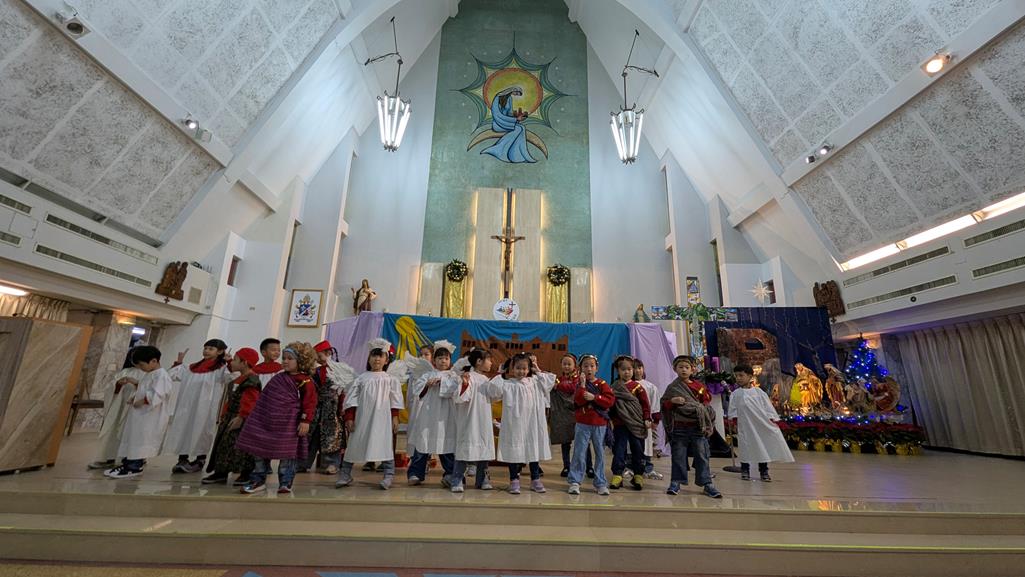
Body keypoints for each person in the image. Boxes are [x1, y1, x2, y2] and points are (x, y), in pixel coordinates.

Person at [235, 342, 318, 494]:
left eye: (290, 358)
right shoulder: (278, 378)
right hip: (268, 421)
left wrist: (305, 421)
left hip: (289, 424)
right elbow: (265, 398)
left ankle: (285, 482)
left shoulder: (305, 381)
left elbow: (310, 403)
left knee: (288, 454)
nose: (285, 361)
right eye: (284, 358)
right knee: (259, 450)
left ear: (301, 361)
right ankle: (258, 480)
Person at [336, 339, 404, 490]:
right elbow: (351, 399)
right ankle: (345, 474)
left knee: (384, 444)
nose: (377, 359)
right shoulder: (361, 379)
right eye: (374, 355)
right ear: (369, 358)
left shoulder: (390, 380)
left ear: (387, 360)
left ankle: (388, 475)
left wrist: (395, 416)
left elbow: (395, 399)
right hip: (362, 418)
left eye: (380, 356)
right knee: (354, 443)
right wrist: (350, 417)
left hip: (382, 419)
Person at [485, 352, 556, 494]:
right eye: (518, 368)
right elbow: (493, 391)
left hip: (532, 424)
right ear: (512, 368)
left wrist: (537, 368)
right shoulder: (508, 384)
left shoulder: (535, 382)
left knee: (533, 450)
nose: (521, 371)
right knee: (514, 450)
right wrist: (501, 373)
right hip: (514, 424)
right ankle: (514, 479)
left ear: (529, 369)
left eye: (524, 368)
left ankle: (535, 479)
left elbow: (549, 383)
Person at [164, 339, 234, 474]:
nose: (206, 351)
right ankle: (182, 459)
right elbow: (171, 376)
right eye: (205, 348)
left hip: (205, 408)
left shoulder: (220, 369)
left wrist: (229, 362)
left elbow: (231, 377)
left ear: (220, 352)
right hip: (186, 407)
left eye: (211, 349)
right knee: (184, 429)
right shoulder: (191, 368)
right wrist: (179, 362)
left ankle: (200, 460)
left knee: (202, 431)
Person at [104, 346, 173, 479]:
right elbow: (143, 388)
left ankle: (134, 467)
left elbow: (159, 394)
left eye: (142, 365)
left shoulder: (162, 375)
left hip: (149, 417)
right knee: (133, 438)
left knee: (140, 441)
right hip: (140, 415)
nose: (140, 368)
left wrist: (142, 401)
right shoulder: (150, 373)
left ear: (153, 361)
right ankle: (127, 464)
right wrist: (134, 396)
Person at [661, 355, 722, 499]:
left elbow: (706, 402)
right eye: (680, 367)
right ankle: (676, 482)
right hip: (679, 427)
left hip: (697, 426)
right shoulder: (673, 387)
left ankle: (707, 483)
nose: (684, 370)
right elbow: (664, 404)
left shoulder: (699, 386)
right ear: (675, 369)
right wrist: (673, 401)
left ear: (692, 369)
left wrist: (700, 407)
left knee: (702, 455)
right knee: (678, 456)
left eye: (687, 367)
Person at [202, 348, 262, 485]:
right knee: (224, 446)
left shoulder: (251, 380)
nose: (232, 362)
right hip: (231, 416)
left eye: (235, 359)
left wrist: (241, 417)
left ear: (244, 363)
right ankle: (221, 472)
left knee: (240, 448)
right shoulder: (240, 378)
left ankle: (245, 473)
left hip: (241, 419)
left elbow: (250, 401)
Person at [442, 348, 496, 492]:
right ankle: (457, 479)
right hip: (469, 419)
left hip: (483, 419)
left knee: (484, 447)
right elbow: (460, 398)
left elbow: (494, 396)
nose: (491, 363)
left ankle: (482, 479)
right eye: (489, 360)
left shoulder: (485, 380)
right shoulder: (467, 377)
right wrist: (465, 384)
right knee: (465, 447)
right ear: (479, 361)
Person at [728, 364, 793, 482]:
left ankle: (764, 471)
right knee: (745, 447)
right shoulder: (735, 394)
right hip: (745, 426)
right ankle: (745, 469)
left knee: (761, 445)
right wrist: (733, 421)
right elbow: (733, 410)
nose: (738, 378)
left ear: (750, 376)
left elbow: (767, 408)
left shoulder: (759, 393)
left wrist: (772, 420)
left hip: (760, 425)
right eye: (736, 376)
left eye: (741, 375)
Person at [406, 340, 458, 487]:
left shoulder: (453, 376)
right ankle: (416, 473)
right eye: (440, 358)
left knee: (446, 443)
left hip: (446, 417)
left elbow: (455, 390)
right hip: (428, 415)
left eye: (446, 358)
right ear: (434, 360)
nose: (443, 361)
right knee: (423, 441)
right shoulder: (427, 374)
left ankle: (450, 474)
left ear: (450, 360)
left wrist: (442, 383)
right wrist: (427, 385)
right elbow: (417, 390)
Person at [88, 348, 144, 470]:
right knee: (112, 431)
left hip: (134, 409)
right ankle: (108, 458)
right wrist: (118, 384)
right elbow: (111, 388)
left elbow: (150, 390)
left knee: (130, 433)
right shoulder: (125, 372)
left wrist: (136, 383)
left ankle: (130, 459)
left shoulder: (147, 374)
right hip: (119, 407)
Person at [567, 354, 614, 496]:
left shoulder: (602, 384)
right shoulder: (579, 384)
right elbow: (578, 401)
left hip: (599, 424)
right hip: (583, 423)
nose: (589, 369)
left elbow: (609, 401)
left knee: (600, 453)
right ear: (580, 368)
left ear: (597, 368)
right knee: (579, 452)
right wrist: (582, 386)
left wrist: (595, 397)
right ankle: (575, 481)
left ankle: (600, 483)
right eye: (585, 366)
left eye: (592, 366)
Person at [302, 340, 346, 475]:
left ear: (328, 353)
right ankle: (304, 463)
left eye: (319, 355)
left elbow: (343, 390)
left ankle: (332, 463)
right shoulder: (315, 371)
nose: (317, 358)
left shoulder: (338, 370)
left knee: (332, 435)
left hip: (332, 407)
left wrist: (342, 407)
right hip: (317, 407)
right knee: (313, 434)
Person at [609, 356, 651, 491]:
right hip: (620, 424)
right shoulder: (614, 387)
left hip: (637, 423)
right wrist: (611, 419)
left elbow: (645, 405)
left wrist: (647, 418)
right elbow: (611, 405)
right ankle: (617, 475)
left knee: (638, 449)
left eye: (629, 369)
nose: (627, 372)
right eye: (623, 369)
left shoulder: (638, 387)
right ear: (618, 371)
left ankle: (638, 475)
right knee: (619, 450)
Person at [549, 353, 579, 477]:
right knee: (565, 442)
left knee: (582, 442)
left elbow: (573, 388)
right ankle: (567, 466)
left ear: (575, 366)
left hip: (577, 413)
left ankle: (587, 467)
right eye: (564, 364)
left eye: (569, 364)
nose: (566, 366)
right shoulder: (558, 379)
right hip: (564, 415)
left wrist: (559, 386)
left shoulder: (578, 378)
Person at [633, 358, 663, 480]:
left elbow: (655, 404)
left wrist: (655, 420)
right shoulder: (627, 386)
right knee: (632, 445)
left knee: (647, 445)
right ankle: (631, 468)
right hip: (632, 421)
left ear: (643, 369)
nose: (637, 371)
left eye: (639, 368)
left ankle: (648, 468)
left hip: (646, 421)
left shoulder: (650, 387)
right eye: (634, 368)